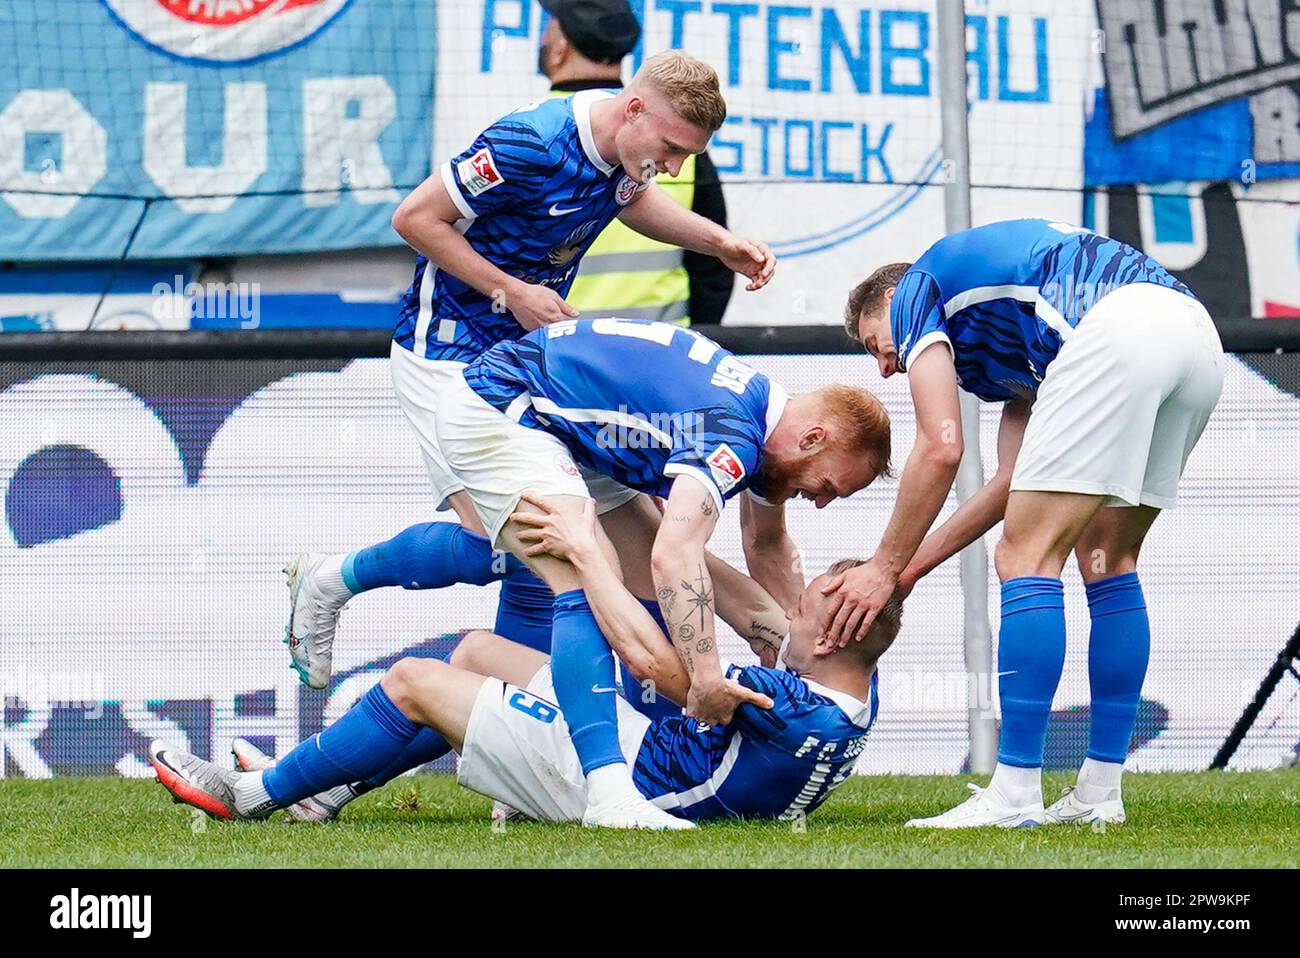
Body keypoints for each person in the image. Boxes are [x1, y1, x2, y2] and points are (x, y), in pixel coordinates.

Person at [284, 50, 794, 701]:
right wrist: (512, 292)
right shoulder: (530, 143)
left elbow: (630, 200)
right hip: (449, 356)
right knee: (512, 547)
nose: (673, 167)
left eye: (685, 157)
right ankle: (332, 579)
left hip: (535, 366)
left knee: (627, 545)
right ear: (633, 108)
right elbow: (414, 219)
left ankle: (777, 668)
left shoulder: (624, 154)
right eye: (670, 148)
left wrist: (717, 241)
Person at [149, 497, 898, 828]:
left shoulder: (778, 695)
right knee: (478, 651)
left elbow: (658, 664)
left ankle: (257, 795)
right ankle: (327, 794)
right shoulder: (852, 698)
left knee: (414, 683)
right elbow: (746, 667)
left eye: (803, 609)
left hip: (622, 783)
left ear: (830, 638)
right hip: (665, 762)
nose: (786, 614)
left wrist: (586, 553)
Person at [834, 219, 1225, 828]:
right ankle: (1100, 791)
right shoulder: (1015, 351)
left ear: (890, 301)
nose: (883, 367)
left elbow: (941, 446)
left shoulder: (916, 287)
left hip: (1121, 331)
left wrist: (880, 567)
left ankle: (1014, 791)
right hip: (1195, 342)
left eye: (871, 342)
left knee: (1024, 559)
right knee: (1107, 560)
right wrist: (906, 572)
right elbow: (1010, 484)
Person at [538, 0, 734, 326]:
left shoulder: (537, 132)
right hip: (659, 351)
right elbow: (712, 271)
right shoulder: (682, 141)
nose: (670, 165)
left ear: (560, 49)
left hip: (557, 348)